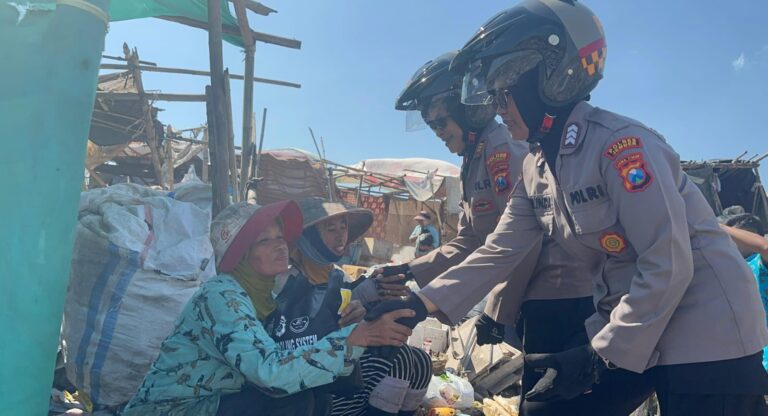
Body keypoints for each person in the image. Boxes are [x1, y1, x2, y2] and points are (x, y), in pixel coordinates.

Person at [370, 1, 768, 415]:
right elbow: (498, 249)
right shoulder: (537, 167)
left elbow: (667, 262)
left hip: (704, 328)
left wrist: (597, 356)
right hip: (634, 324)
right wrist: (418, 304)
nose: (498, 108)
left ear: (550, 80)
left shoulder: (622, 146)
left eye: (504, 94)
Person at [389, 49, 650, 415]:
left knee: (549, 405)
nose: (439, 134)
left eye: (441, 123)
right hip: (535, 296)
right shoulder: (477, 158)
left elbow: (520, 244)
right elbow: (474, 239)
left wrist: (499, 310)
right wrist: (410, 277)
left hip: (563, 294)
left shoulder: (506, 149)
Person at [122, 201, 416, 416]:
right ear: (241, 255)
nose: (280, 247)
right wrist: (354, 339)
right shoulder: (222, 296)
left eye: (280, 238)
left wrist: (352, 322)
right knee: (296, 405)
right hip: (178, 409)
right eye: (265, 241)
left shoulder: (267, 294)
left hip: (219, 400)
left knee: (308, 402)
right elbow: (269, 371)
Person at [267, 197, 432, 416]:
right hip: (310, 385)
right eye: (330, 228)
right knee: (400, 357)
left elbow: (346, 317)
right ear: (308, 236)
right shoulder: (281, 282)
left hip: (342, 367)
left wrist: (364, 308)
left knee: (421, 360)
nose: (341, 235)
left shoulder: (338, 275)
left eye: (343, 227)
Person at [718, 208, 768, 371]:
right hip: (744, 365)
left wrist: (715, 226)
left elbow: (765, 247)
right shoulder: (724, 269)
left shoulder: (759, 264)